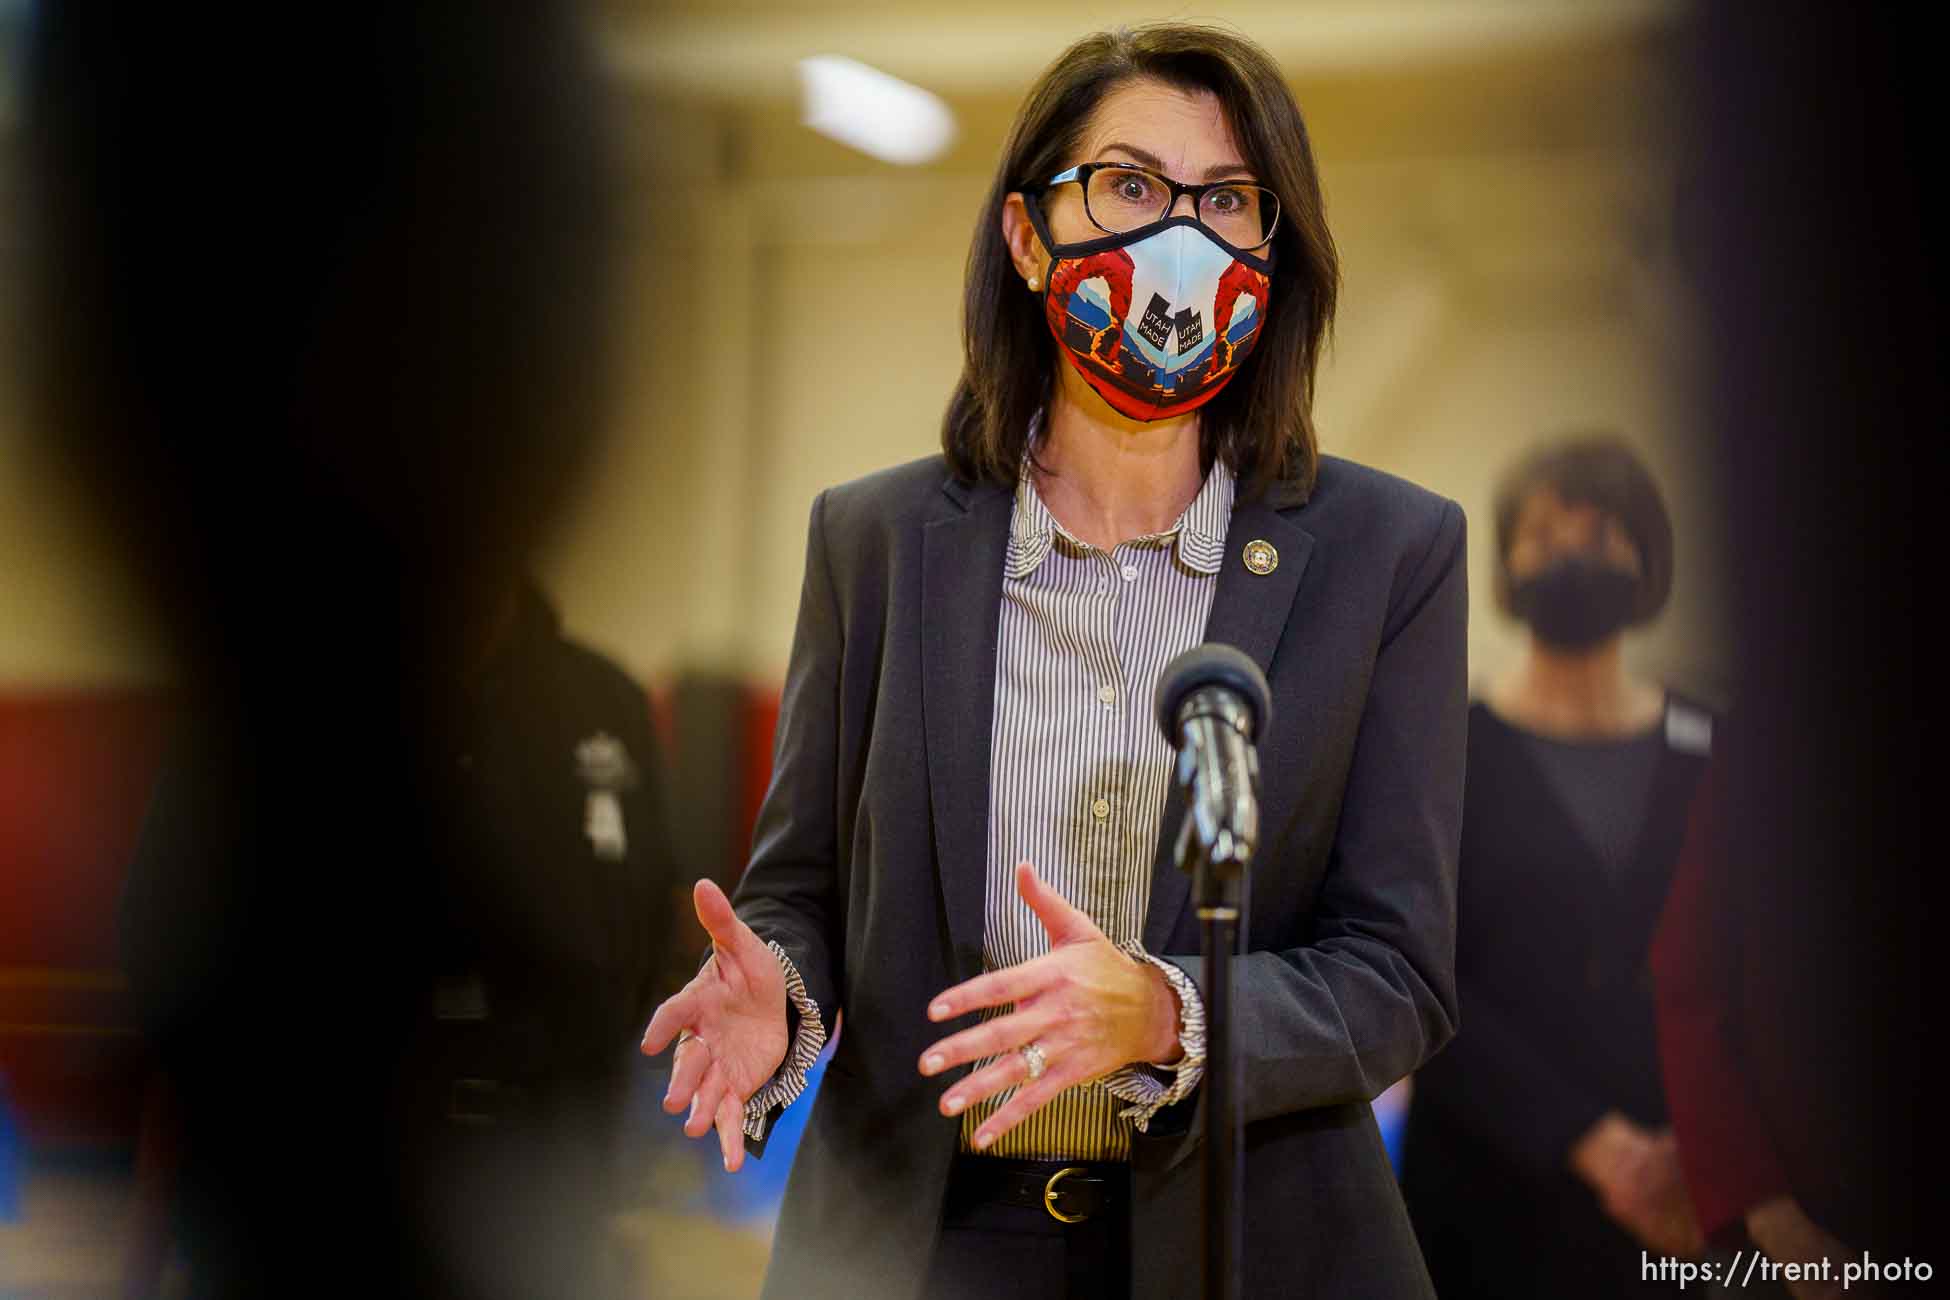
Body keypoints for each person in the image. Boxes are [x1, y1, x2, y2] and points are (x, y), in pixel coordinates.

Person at [643, 24, 1468, 1299]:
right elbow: (799, 887)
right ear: (1030, 239)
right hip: (927, 1243)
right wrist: (782, 1013)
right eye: (1132, 186)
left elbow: (1396, 973)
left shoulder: (1388, 553)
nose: (1177, 237)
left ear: (1273, 253)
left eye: (1229, 201)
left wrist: (1167, 1014)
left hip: (1247, 1243)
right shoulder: (873, 540)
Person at [1399, 435, 1714, 1298]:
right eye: (1544, 534)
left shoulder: (1716, 751)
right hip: (1488, 1206)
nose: (1573, 553)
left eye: (1603, 530)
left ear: (1648, 557)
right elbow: (1414, 978)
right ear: (1506, 565)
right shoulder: (1443, 753)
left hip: (1694, 1210)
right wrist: (1597, 1143)